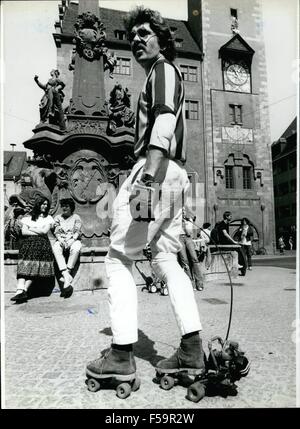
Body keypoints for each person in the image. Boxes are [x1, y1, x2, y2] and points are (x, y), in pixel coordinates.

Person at [86, 7, 205, 385]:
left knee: (120, 258)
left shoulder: (163, 72)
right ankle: (191, 347)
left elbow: (165, 120)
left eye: (144, 33)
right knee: (167, 257)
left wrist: (148, 178)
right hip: (175, 176)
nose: (137, 39)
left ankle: (121, 354)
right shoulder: (161, 73)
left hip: (155, 171)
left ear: (162, 40)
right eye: (133, 35)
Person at [10, 196, 55, 303]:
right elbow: (24, 232)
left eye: (46, 204)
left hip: (42, 244)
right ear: (38, 204)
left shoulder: (48, 218)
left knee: (34, 260)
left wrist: (31, 228)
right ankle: (20, 290)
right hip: (28, 243)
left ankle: (23, 290)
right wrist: (37, 230)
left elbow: (45, 232)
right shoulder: (27, 218)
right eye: (42, 204)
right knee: (24, 262)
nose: (45, 206)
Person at [52, 198, 82, 299]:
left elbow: (77, 231)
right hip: (61, 240)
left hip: (73, 239)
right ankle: (66, 275)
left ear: (71, 208)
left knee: (76, 248)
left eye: (67, 206)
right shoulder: (58, 217)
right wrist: (60, 240)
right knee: (56, 247)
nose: (64, 208)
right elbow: (56, 231)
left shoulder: (76, 217)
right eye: (63, 206)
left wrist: (71, 240)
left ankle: (67, 272)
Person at [178, 208, 204, 291]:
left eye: (184, 211)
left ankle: (199, 282)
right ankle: (190, 283)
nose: (183, 213)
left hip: (188, 238)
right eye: (181, 211)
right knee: (184, 260)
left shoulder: (189, 220)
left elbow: (189, 233)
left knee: (194, 258)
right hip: (178, 238)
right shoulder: (175, 220)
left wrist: (185, 223)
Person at [215, 211, 247, 276]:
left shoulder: (226, 223)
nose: (231, 217)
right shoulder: (222, 224)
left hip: (226, 242)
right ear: (226, 217)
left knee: (240, 248)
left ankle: (242, 266)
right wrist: (233, 241)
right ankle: (239, 264)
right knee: (238, 248)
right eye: (230, 216)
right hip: (223, 243)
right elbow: (225, 234)